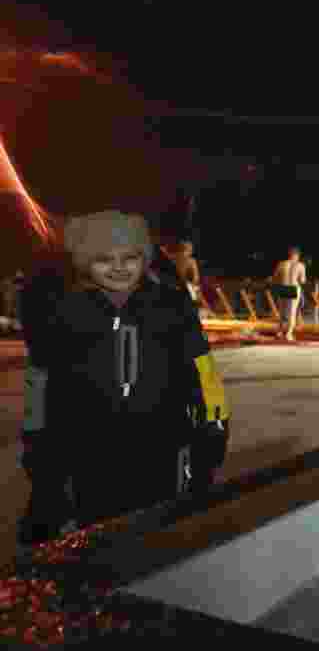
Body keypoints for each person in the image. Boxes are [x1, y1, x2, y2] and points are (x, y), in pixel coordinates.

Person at [19, 210, 230, 535]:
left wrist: (214, 430)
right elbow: (40, 383)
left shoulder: (171, 306)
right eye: (104, 259)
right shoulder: (64, 312)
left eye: (129, 257)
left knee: (157, 541)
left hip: (160, 451)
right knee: (99, 543)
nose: (118, 267)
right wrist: (38, 449)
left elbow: (205, 372)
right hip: (90, 457)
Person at [272, 246, 306, 341]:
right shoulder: (300, 265)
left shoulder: (281, 264)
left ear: (289, 254)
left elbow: (275, 278)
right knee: (292, 312)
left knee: (282, 312)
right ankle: (288, 334)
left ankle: (279, 332)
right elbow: (302, 281)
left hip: (283, 287)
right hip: (294, 287)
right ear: (297, 255)